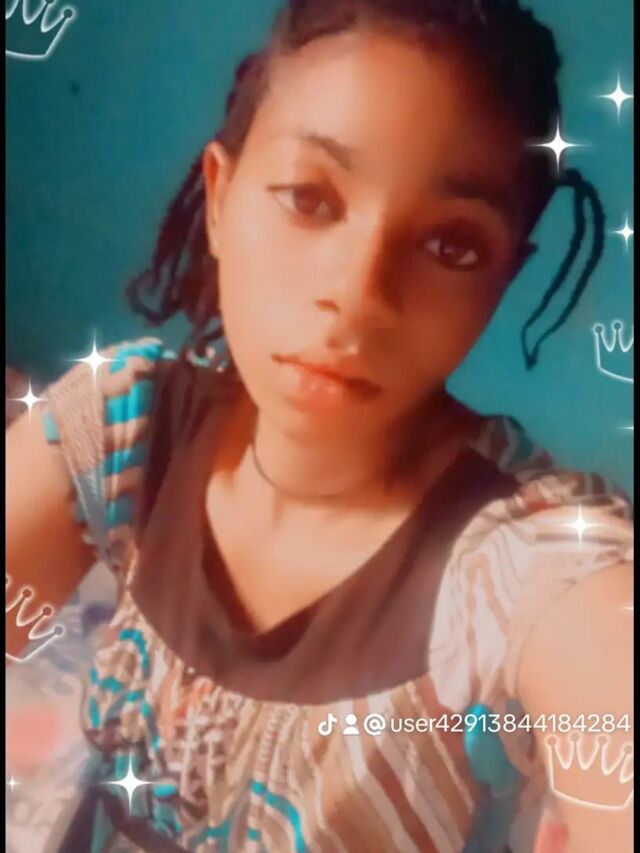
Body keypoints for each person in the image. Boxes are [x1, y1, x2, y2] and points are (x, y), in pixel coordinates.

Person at [6, 1, 633, 850]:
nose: (358, 294)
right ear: (221, 199)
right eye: (309, 198)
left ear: (501, 282)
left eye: (451, 246)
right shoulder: (131, 429)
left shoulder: (522, 559)